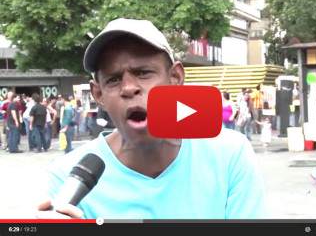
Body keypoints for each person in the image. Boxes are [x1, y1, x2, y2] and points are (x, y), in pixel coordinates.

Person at [37, 18, 265, 219]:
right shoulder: (66, 179)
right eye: (113, 80)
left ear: (175, 77)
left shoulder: (229, 156)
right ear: (98, 94)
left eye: (143, 73)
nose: (128, 88)